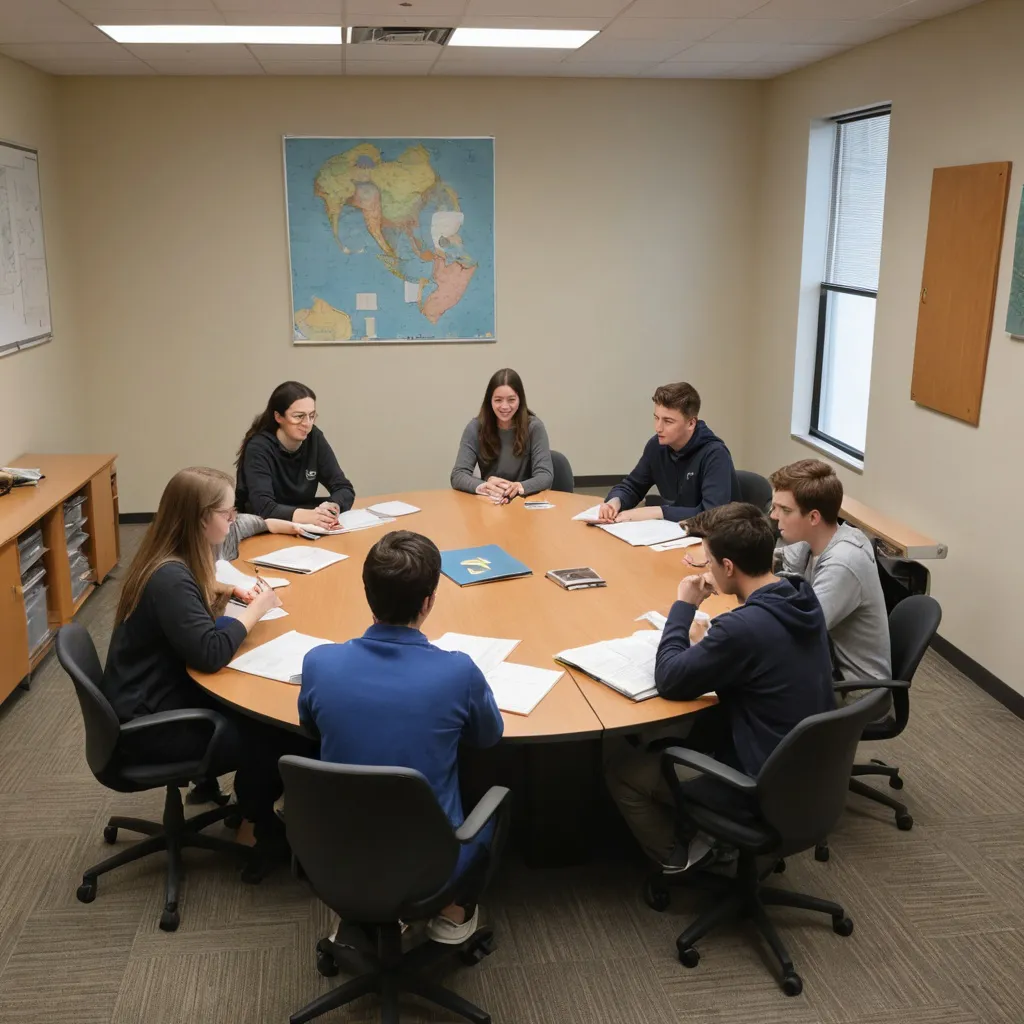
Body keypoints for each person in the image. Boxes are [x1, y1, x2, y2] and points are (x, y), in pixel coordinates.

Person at [604, 502, 835, 873]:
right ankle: (709, 835)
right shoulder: (800, 595)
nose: (706, 569)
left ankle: (681, 859)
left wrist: (684, 606)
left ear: (728, 567)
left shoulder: (742, 629)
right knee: (684, 730)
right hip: (809, 771)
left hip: (757, 784)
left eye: (709, 561)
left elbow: (670, 680)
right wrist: (717, 641)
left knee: (623, 770)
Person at [100, 467, 312, 869]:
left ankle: (249, 808)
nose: (233, 520)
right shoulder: (170, 579)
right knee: (272, 727)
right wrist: (256, 608)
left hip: (145, 696)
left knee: (256, 706)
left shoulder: (166, 560)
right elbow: (211, 652)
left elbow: (190, 604)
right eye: (227, 513)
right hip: (150, 725)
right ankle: (256, 824)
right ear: (201, 518)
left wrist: (227, 590)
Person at [299, 530, 504, 943]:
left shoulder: (318, 663)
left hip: (335, 851)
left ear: (367, 594)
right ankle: (454, 910)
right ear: (429, 601)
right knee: (496, 798)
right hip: (429, 863)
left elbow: (310, 728)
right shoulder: (458, 671)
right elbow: (488, 737)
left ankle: (362, 910)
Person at [769, 459, 891, 683]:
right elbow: (770, 565)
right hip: (820, 664)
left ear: (813, 517)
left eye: (785, 510)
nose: (774, 516)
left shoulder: (842, 563)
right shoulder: (811, 540)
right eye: (775, 507)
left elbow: (799, 634)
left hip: (849, 688)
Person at [597, 382, 737, 523]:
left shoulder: (715, 454)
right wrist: (615, 502)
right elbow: (632, 486)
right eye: (656, 418)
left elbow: (712, 514)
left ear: (691, 423)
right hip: (675, 530)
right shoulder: (656, 446)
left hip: (718, 534)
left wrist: (658, 512)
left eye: (668, 421)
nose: (658, 428)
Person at [235, 381, 354, 529]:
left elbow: (344, 488)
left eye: (312, 416)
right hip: (264, 527)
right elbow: (263, 507)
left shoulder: (314, 437)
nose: (307, 423)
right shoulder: (258, 447)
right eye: (298, 416)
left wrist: (331, 507)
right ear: (279, 417)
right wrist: (309, 517)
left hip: (303, 523)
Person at [450, 368, 553, 502]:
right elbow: (458, 475)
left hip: (524, 501)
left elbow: (545, 475)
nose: (504, 406)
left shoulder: (534, 427)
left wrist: (518, 487)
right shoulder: (475, 427)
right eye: (498, 400)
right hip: (491, 501)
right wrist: (484, 486)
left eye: (511, 400)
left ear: (520, 400)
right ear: (490, 401)